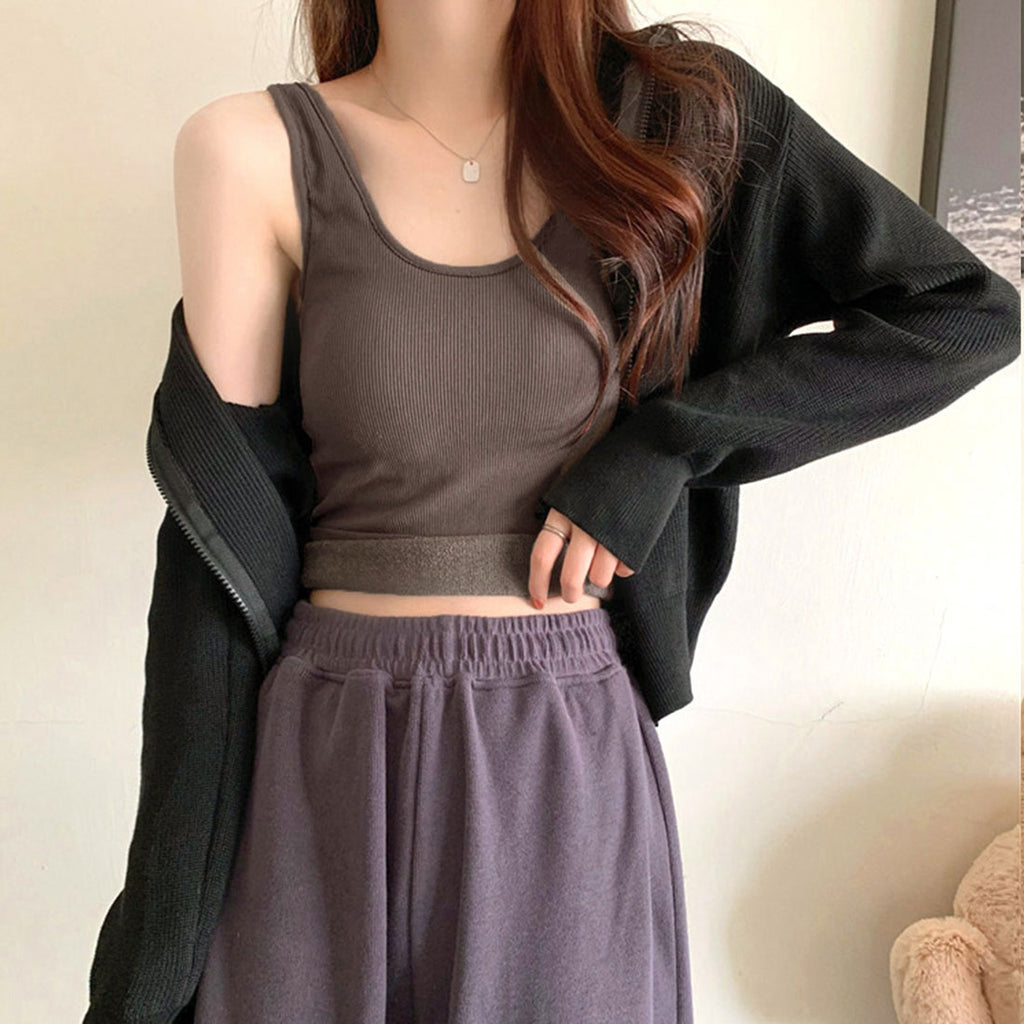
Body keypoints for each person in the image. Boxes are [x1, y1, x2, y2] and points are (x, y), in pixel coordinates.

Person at [83, 4, 1021, 1024]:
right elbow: (214, 547)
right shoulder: (249, 152)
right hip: (324, 756)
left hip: (559, 759)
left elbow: (960, 310)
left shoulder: (679, 123)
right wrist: (154, 945)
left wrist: (668, 445)